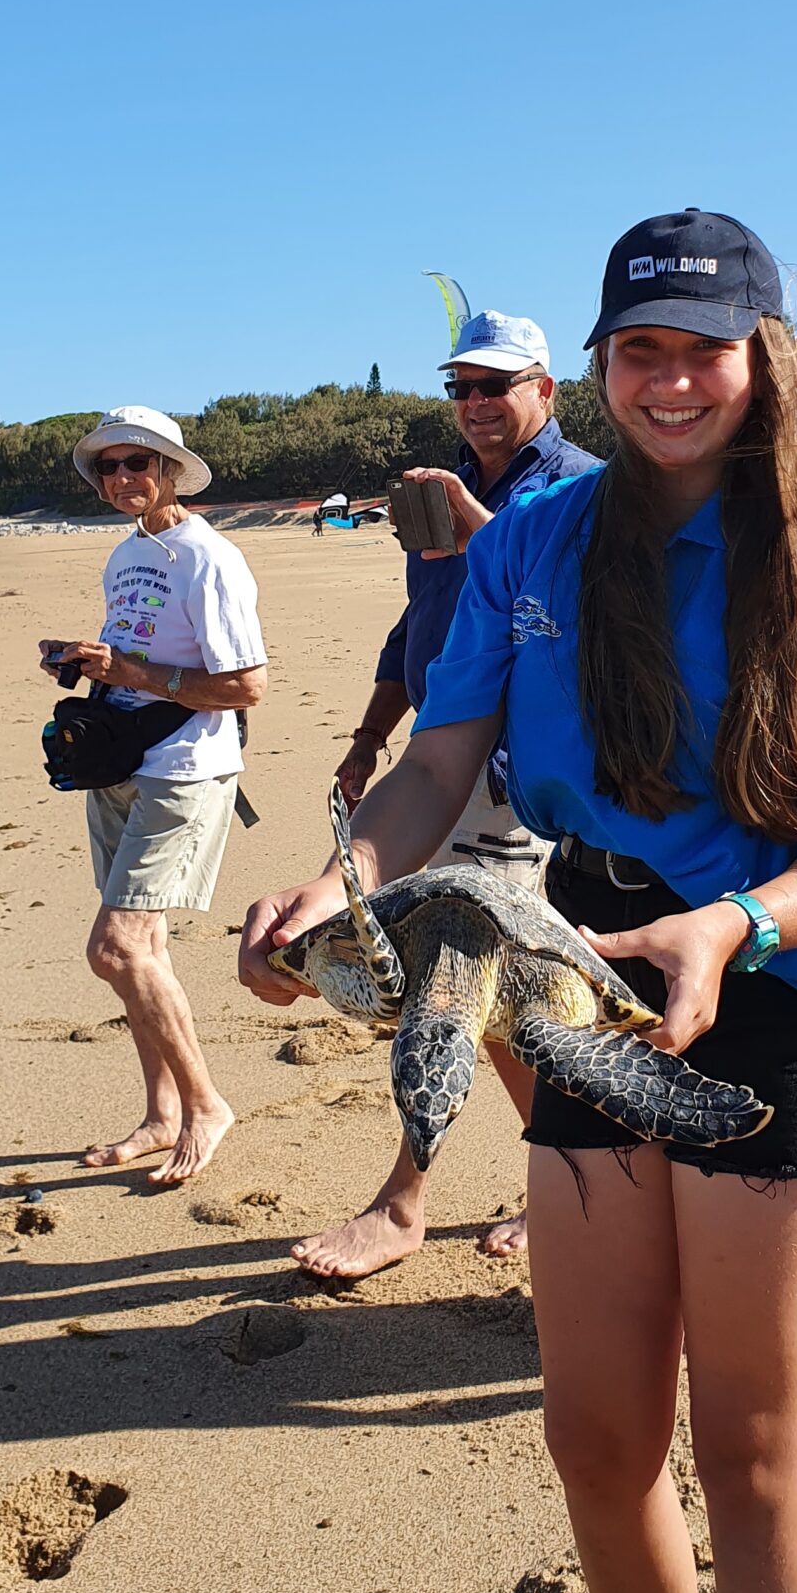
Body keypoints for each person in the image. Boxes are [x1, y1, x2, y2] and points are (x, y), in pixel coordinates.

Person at [243, 214, 797, 1593]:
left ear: (762, 360)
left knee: (752, 1453)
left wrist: (733, 926)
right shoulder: (532, 546)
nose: (671, 381)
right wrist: (340, 884)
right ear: (603, 365)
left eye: (703, 350)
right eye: (642, 351)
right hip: (581, 977)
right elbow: (437, 766)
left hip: (789, 993)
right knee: (597, 1438)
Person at [291, 311, 597, 1279]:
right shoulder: (452, 488)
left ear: (545, 390)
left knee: (455, 981)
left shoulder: (576, 485)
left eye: (494, 385)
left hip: (507, 773)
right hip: (435, 759)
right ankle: (560, 1176)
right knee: (491, 989)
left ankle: (405, 1202)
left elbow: (565, 593)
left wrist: (470, 521)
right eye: (459, 388)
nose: (473, 404)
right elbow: (415, 623)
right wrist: (366, 739)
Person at [43, 406, 268, 1188]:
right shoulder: (127, 554)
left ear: (170, 471)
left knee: (117, 948)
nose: (122, 478)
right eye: (108, 467)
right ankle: (161, 1113)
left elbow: (248, 685)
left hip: (186, 769)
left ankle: (206, 1105)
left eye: (137, 463)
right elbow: (138, 653)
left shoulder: (208, 559)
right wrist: (87, 663)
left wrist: (130, 674)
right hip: (121, 760)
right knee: (147, 950)